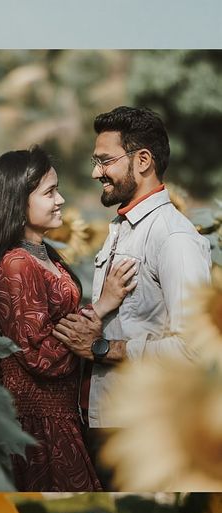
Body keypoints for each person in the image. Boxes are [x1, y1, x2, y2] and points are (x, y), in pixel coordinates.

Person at [53, 106, 212, 488]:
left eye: (105, 160)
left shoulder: (174, 239)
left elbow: (196, 351)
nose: (95, 172)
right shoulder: (122, 229)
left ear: (143, 161)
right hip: (104, 421)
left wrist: (104, 348)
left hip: (143, 428)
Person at [0, 145, 136, 491]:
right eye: (49, 192)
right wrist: (102, 308)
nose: (60, 200)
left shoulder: (45, 257)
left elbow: (59, 329)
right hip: (36, 422)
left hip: (59, 414)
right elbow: (41, 356)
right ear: (17, 201)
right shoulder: (16, 264)